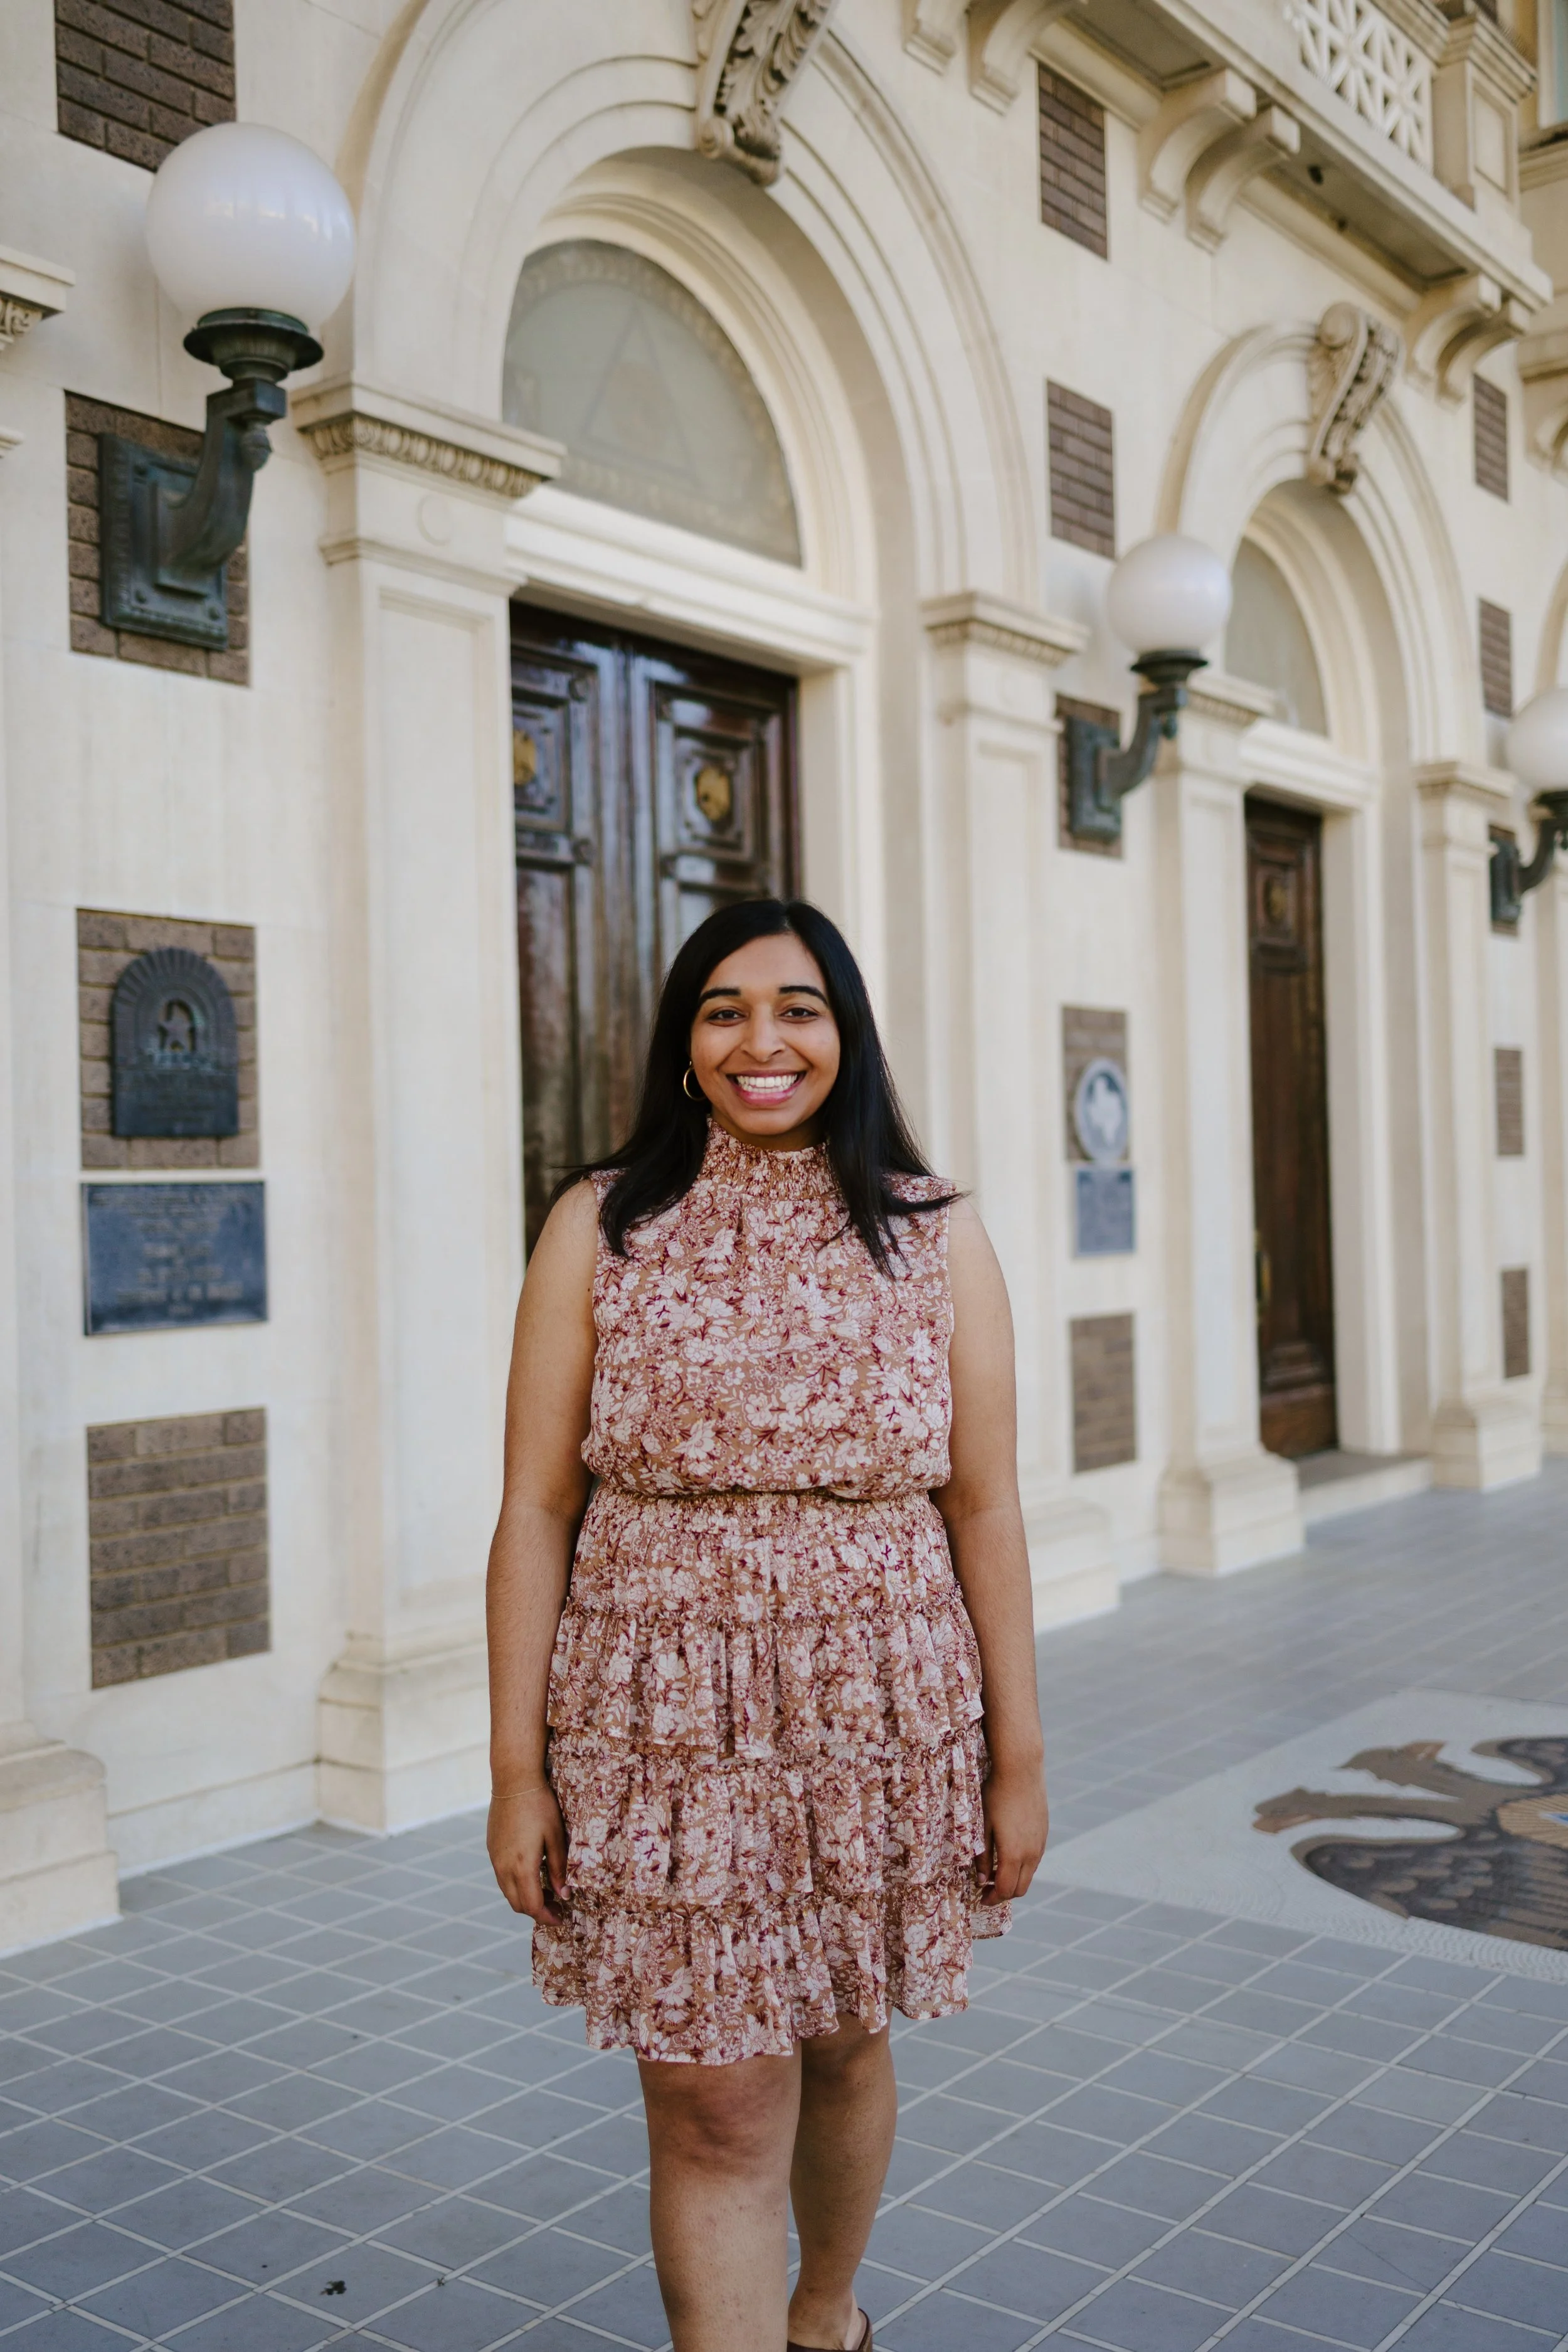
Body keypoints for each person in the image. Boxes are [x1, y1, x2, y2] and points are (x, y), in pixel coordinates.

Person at [486, 897, 1049, 2352]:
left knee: (845, 2037)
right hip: (656, 1722)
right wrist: (514, 1772)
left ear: (844, 1038)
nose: (762, 1040)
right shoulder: (601, 1222)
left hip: (879, 1710)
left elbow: (982, 1506)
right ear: (684, 1048)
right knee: (708, 2089)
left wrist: (1018, 1763)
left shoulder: (931, 1233)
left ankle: (823, 2317)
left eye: (798, 1007)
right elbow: (537, 1508)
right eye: (723, 1009)